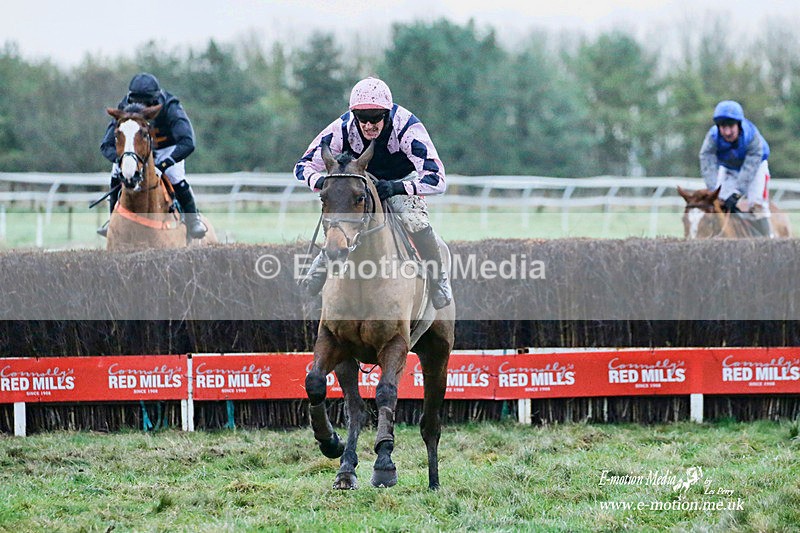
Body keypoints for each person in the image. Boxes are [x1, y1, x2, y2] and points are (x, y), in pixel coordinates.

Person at [294, 77, 452, 309]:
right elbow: (302, 166)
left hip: (401, 180)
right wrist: (326, 183)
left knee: (414, 220)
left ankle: (438, 280)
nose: (368, 125)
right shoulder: (341, 128)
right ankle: (320, 266)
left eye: (375, 118)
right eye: (362, 118)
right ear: (354, 115)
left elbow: (437, 179)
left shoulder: (407, 127)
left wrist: (397, 188)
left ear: (387, 114)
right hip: (359, 181)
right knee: (339, 214)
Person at [98, 72, 207, 238]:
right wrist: (123, 160)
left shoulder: (171, 107)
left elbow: (188, 142)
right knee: (115, 174)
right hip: (135, 150)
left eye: (146, 103)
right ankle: (112, 219)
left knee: (176, 177)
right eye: (136, 102)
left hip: (167, 149)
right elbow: (106, 144)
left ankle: (193, 221)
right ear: (130, 99)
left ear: (155, 99)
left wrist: (164, 164)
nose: (140, 107)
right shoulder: (124, 107)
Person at [699, 100, 772, 237]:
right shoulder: (712, 137)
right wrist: (713, 189)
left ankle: (769, 241)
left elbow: (750, 168)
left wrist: (737, 193)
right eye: (723, 127)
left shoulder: (752, 136)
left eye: (731, 126)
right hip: (729, 168)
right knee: (719, 202)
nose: (727, 132)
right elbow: (707, 160)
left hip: (756, 167)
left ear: (738, 124)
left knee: (757, 206)